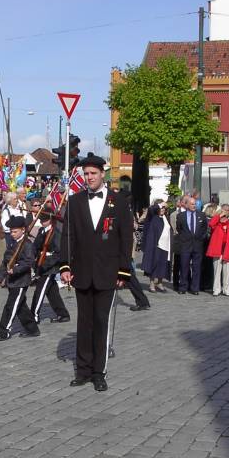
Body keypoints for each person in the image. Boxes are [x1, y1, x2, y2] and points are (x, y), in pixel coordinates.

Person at [59, 154, 133, 392]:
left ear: (103, 174)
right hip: (81, 270)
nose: (89, 178)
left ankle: (99, 372)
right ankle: (82, 370)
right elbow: (67, 236)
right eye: (85, 174)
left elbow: (126, 238)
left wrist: (124, 270)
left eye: (93, 173)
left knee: (102, 322)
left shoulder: (118, 202)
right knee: (84, 322)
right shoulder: (75, 201)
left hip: (108, 271)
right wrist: (65, 266)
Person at [0, 216, 40, 340]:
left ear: (23, 230)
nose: (12, 234)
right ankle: (32, 329)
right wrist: (1, 276)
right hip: (12, 280)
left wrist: (15, 269)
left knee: (11, 306)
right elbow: (6, 261)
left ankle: (4, 330)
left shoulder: (27, 244)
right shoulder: (12, 243)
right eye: (11, 231)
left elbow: (28, 262)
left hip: (21, 281)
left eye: (15, 231)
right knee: (20, 307)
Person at [30, 206, 70, 324]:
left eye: (45, 220)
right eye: (41, 220)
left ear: (51, 219)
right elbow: (36, 247)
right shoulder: (42, 231)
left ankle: (34, 316)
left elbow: (58, 253)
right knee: (52, 292)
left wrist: (48, 263)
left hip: (50, 266)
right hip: (42, 264)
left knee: (39, 290)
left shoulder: (55, 232)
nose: (42, 222)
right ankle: (63, 314)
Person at [173, 197, 207, 295]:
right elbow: (179, 228)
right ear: (186, 205)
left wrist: (201, 237)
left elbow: (204, 228)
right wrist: (184, 237)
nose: (194, 206)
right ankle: (183, 287)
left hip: (197, 245)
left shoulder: (201, 215)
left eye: (195, 204)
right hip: (185, 245)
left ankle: (195, 288)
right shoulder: (181, 216)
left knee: (196, 267)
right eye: (192, 204)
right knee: (184, 266)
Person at [206, 204, 229, 297]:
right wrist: (219, 216)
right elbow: (211, 224)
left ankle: (226, 289)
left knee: (227, 271)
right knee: (217, 271)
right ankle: (216, 289)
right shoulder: (216, 224)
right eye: (223, 211)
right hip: (217, 250)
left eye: (227, 211)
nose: (225, 214)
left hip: (227, 251)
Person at [140, 200, 172, 293]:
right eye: (161, 208)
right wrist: (160, 204)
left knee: (163, 264)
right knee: (154, 263)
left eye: (164, 208)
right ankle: (152, 283)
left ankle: (160, 282)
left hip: (166, 244)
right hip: (156, 245)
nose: (162, 209)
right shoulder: (153, 217)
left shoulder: (166, 217)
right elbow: (150, 210)